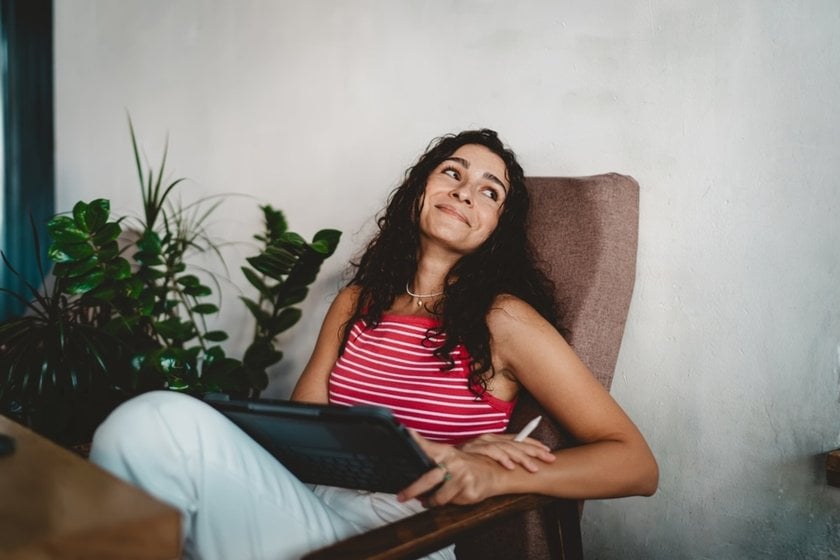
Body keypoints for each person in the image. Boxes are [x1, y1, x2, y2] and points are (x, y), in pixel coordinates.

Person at [90, 129, 658, 560]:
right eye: (451, 173)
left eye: (489, 191)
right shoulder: (358, 300)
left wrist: (491, 474)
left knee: (152, 419)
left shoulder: (502, 319)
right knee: (145, 431)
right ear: (420, 190)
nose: (464, 192)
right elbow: (306, 427)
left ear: (497, 227)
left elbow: (635, 464)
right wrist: (417, 445)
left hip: (398, 532)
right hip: (304, 502)